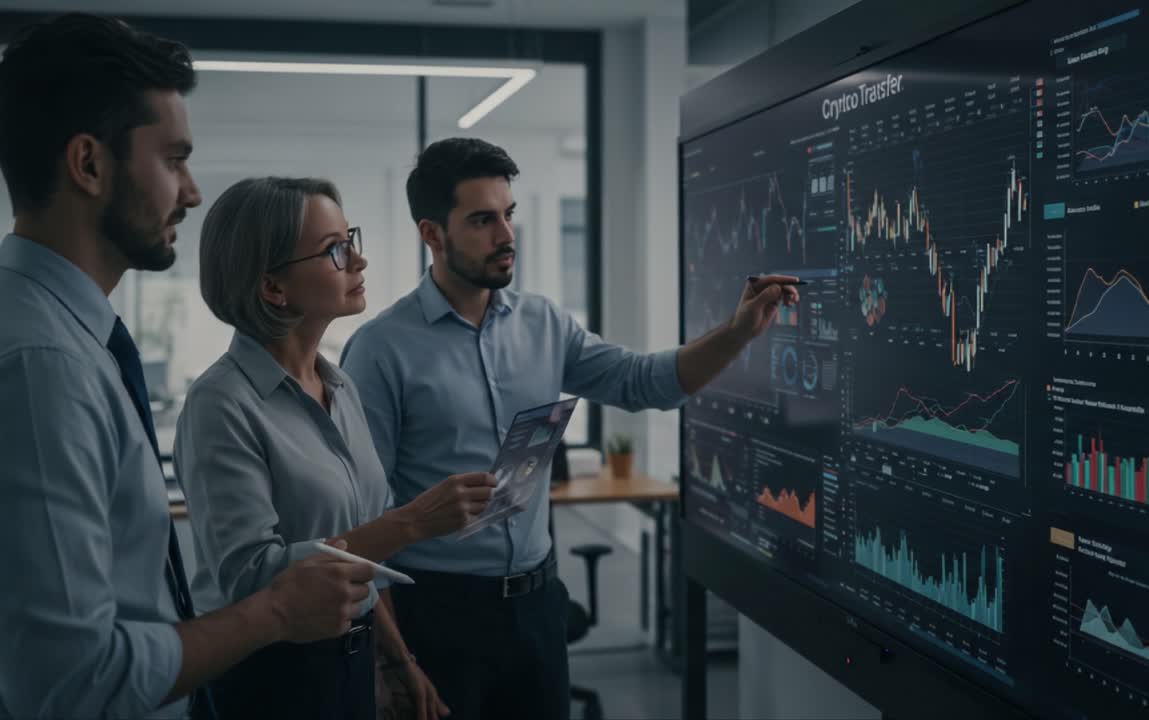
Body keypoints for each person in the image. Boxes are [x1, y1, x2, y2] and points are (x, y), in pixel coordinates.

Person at [340, 137, 799, 719]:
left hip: (537, 608)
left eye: (508, 215)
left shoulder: (545, 324)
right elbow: (360, 522)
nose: (506, 236)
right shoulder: (381, 350)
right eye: (482, 220)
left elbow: (643, 382)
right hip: (437, 615)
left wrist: (736, 333)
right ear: (432, 234)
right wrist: (392, 661)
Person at [0, 14, 375, 719]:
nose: (193, 192)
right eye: (173, 160)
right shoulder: (43, 365)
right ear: (88, 164)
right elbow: (65, 683)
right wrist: (273, 614)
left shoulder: (74, 340)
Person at [176, 176, 497, 720]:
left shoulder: (339, 387)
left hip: (351, 659)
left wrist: (397, 660)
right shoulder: (221, 405)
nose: (359, 262)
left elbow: (360, 558)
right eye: (335, 250)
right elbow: (251, 576)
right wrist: (413, 523)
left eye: (349, 239)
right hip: (272, 679)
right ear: (273, 287)